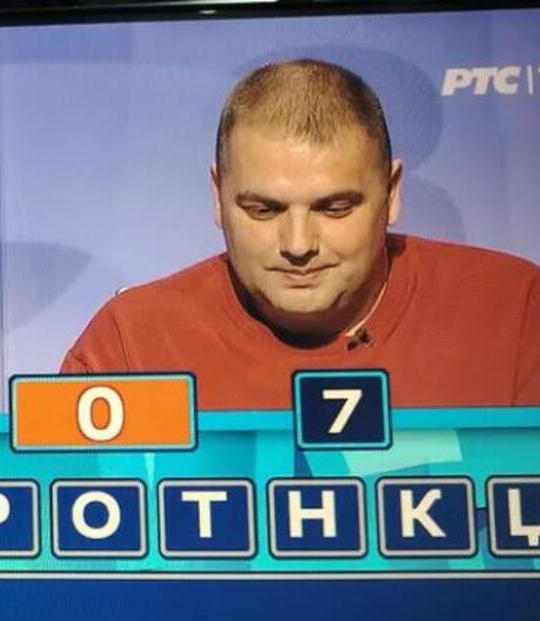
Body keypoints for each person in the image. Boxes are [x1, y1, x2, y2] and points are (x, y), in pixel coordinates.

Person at [61, 59, 540, 409]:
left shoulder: (515, 311)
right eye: (263, 210)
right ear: (218, 197)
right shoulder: (132, 343)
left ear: (392, 193)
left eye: (334, 208)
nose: (297, 245)